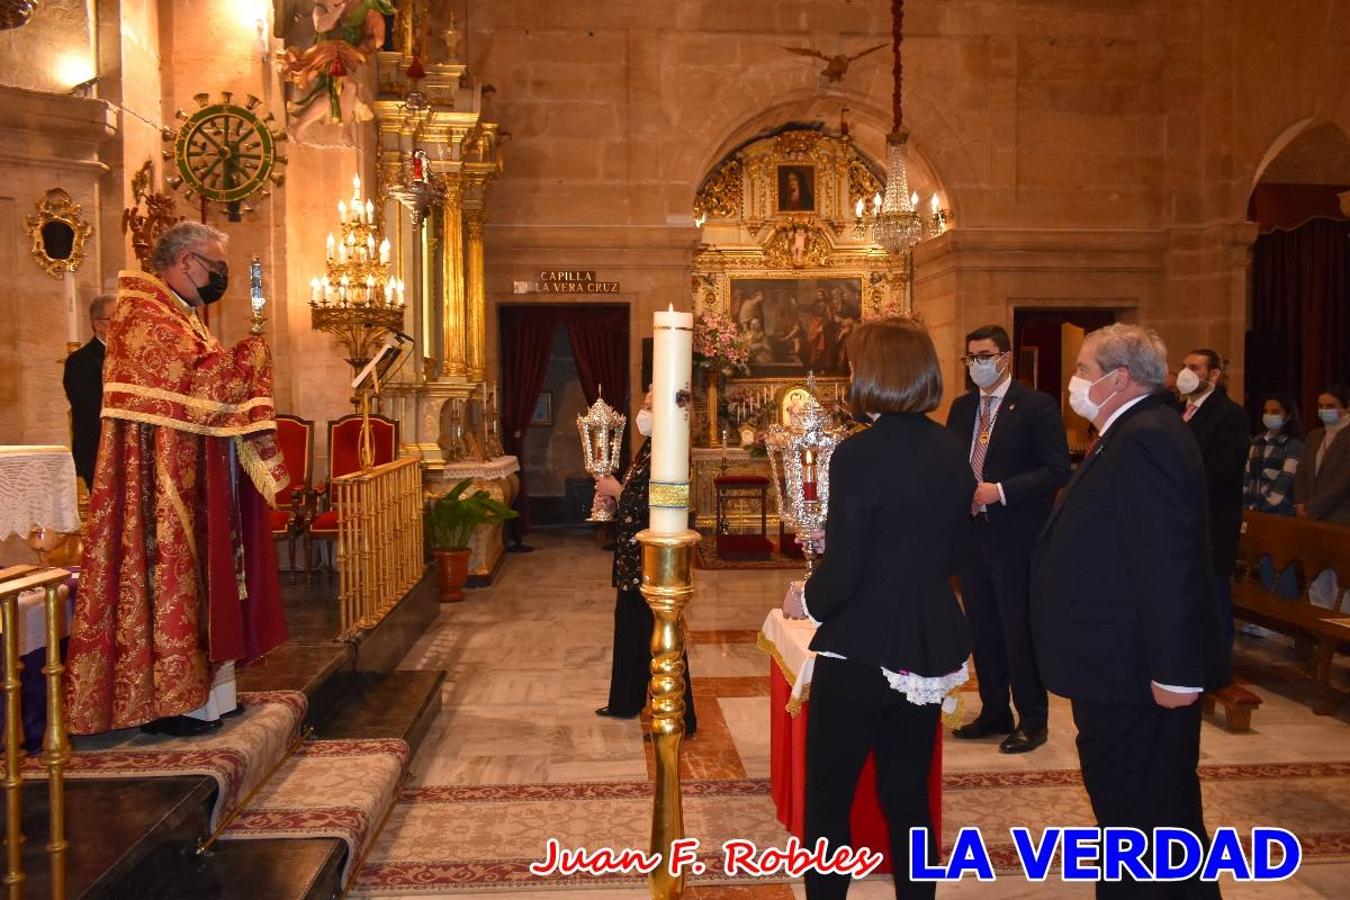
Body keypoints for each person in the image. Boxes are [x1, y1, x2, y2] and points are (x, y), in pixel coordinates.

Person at [64, 222, 289, 737]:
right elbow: (200, 383)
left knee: (212, 577)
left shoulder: (180, 315)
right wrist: (251, 355)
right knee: (172, 577)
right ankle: (173, 701)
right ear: (185, 261)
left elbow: (206, 378)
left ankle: (213, 695)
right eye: (213, 266)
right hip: (161, 486)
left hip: (197, 470)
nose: (218, 278)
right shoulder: (144, 315)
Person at [1032, 324, 1227, 900]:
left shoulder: (1147, 439)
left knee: (1142, 815)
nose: (1076, 382)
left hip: (1135, 673)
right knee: (1149, 818)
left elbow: (1167, 563)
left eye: (1084, 371)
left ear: (1119, 379)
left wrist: (1174, 671)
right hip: (1118, 667)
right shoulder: (1133, 431)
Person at [781, 317, 972, 899]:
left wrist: (804, 598)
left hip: (862, 648)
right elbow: (946, 547)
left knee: (829, 803)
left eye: (858, 365)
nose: (852, 375)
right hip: (927, 644)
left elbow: (845, 574)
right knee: (909, 798)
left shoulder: (859, 454)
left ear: (877, 374)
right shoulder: (949, 448)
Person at [947, 325, 1069, 754]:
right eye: (971, 358)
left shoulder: (1036, 406)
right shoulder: (962, 409)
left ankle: (1032, 720)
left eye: (984, 356)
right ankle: (994, 710)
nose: (977, 365)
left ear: (1005, 359)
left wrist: (999, 491)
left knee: (1018, 630)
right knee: (983, 629)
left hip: (1016, 538)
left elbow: (1056, 470)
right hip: (973, 539)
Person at [592, 390, 697, 736]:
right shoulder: (650, 447)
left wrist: (618, 491)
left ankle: (681, 717)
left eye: (650, 406)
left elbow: (670, 500)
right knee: (629, 629)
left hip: (653, 560)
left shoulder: (673, 450)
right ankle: (625, 700)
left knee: (661, 634)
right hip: (633, 558)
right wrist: (610, 499)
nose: (643, 411)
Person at [1177, 348, 1249, 653]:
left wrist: (1176, 483)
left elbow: (1222, 470)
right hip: (1182, 520)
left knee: (1214, 593)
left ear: (1214, 375)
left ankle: (1219, 659)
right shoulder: (1179, 411)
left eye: (1194, 366)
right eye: (1184, 365)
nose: (1186, 372)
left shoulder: (1229, 414)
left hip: (1212, 521)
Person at [62, 294, 115, 488]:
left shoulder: (133, 358)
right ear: (99, 324)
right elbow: (88, 409)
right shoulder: (80, 361)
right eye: (117, 318)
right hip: (98, 451)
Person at [1294, 384, 1350, 524]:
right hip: (1308, 513)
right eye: (1320, 406)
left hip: (1340, 515)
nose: (1324, 410)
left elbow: (1343, 482)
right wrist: (1301, 503)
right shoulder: (1315, 435)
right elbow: (1302, 472)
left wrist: (1312, 507)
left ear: (1347, 407)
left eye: (1330, 406)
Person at [1244, 393, 1304, 516]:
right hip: (1252, 509)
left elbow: (1286, 480)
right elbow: (1247, 475)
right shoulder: (1257, 442)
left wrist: (1262, 507)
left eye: (1275, 412)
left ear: (1288, 415)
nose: (1269, 415)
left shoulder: (1294, 444)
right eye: (1266, 411)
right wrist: (1246, 505)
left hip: (1280, 512)